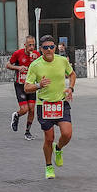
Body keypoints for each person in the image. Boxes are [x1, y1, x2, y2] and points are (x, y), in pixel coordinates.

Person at [25, 35, 75, 179]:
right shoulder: (35, 65)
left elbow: (72, 74)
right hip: (44, 104)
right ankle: (48, 166)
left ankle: (58, 148)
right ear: (41, 49)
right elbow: (27, 87)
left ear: (55, 48)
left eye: (51, 47)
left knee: (67, 134)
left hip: (61, 102)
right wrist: (39, 85)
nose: (49, 50)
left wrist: (70, 88)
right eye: (45, 48)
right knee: (49, 138)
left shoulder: (62, 61)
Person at [7, 35, 37, 139]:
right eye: (29, 45)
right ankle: (17, 115)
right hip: (20, 85)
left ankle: (27, 132)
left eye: (33, 45)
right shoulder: (18, 54)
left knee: (32, 109)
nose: (32, 47)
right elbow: (8, 65)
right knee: (24, 109)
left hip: (31, 85)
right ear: (25, 45)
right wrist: (18, 67)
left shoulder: (36, 55)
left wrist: (36, 61)